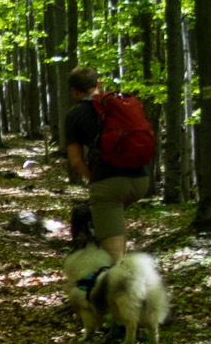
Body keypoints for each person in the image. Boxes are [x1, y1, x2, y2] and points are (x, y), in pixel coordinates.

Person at [63, 67, 150, 262]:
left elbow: (76, 162)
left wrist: (94, 179)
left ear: (74, 91)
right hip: (141, 179)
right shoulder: (121, 104)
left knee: (114, 259)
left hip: (108, 182)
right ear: (99, 84)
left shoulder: (74, 115)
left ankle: (122, 287)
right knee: (114, 220)